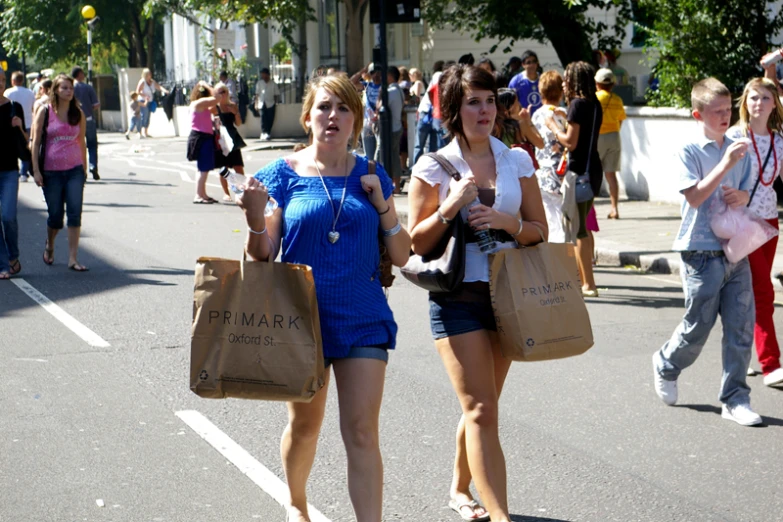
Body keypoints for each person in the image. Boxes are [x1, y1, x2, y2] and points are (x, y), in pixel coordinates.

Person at [237, 73, 411, 522]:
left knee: (361, 431)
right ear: (308, 115)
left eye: (344, 108)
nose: (333, 117)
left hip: (363, 317)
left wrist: (385, 206)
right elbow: (262, 254)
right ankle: (296, 502)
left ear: (356, 118)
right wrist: (257, 220)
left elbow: (402, 253)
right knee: (305, 425)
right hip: (301, 322)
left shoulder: (372, 175)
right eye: (324, 107)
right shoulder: (283, 174)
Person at [407, 64, 547, 522]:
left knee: (481, 406)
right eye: (473, 102)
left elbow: (540, 231)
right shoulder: (434, 165)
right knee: (482, 408)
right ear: (453, 109)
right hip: (457, 295)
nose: (484, 110)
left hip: (508, 296)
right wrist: (452, 205)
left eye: (489, 100)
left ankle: (458, 488)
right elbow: (416, 242)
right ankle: (500, 515)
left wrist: (509, 223)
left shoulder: (517, 160)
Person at [652, 78, 762, 426]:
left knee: (741, 327)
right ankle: (667, 363)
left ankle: (735, 399)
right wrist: (725, 164)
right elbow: (695, 197)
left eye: (728, 110)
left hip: (734, 248)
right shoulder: (688, 149)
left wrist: (743, 196)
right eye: (716, 112)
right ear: (697, 114)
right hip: (699, 249)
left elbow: (748, 192)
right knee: (698, 324)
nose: (724, 117)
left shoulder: (737, 146)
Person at [727, 78, 783, 387]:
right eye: (752, 98)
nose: (758, 103)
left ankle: (742, 352)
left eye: (765, 98)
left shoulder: (779, 141)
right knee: (763, 290)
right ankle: (771, 364)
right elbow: (719, 174)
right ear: (745, 103)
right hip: (742, 223)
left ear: (775, 103)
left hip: (770, 222)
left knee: (747, 292)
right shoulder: (736, 136)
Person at [544, 61, 603, 297]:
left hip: (579, 173)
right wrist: (565, 116)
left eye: (567, 78)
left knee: (578, 230)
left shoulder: (578, 104)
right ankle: (586, 280)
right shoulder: (593, 102)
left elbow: (570, 142)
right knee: (584, 227)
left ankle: (587, 284)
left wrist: (553, 126)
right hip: (593, 170)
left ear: (575, 81)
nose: (564, 83)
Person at [31, 74, 89, 272]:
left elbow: (82, 141)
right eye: (64, 88)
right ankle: (50, 243)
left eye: (70, 88)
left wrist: (84, 168)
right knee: (56, 216)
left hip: (74, 171)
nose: (68, 91)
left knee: (74, 214)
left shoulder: (78, 114)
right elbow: (36, 142)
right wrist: (36, 171)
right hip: (51, 172)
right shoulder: (45, 112)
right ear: (55, 90)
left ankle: (73, 258)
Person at [531, 70, 569, 242]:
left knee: (549, 215)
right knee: (564, 215)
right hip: (561, 169)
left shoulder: (537, 114)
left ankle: (554, 252)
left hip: (542, 169)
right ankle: (566, 252)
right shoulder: (563, 113)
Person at [0, 68, 26, 279]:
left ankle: (13, 256)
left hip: (9, 170)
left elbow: (26, 140)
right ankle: (3, 264)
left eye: (1, 81)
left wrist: (20, 127)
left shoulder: (14, 107)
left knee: (8, 216)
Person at [595, 68, 626, 219]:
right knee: (611, 174)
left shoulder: (595, 98)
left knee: (592, 173)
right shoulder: (618, 100)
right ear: (613, 84)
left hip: (598, 136)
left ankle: (589, 210)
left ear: (597, 83)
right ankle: (614, 208)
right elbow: (620, 121)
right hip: (614, 136)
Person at [186, 81, 223, 204]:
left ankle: (202, 194)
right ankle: (198, 195)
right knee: (203, 168)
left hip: (203, 137)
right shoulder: (199, 103)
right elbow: (217, 97)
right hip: (202, 137)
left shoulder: (198, 105)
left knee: (203, 168)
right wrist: (206, 85)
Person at [211, 81, 247, 202]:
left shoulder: (232, 105)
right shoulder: (214, 108)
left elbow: (238, 123)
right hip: (221, 139)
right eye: (220, 92)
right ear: (215, 94)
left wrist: (235, 113)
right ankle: (226, 193)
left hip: (233, 137)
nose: (223, 94)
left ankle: (241, 191)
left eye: (225, 91)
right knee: (224, 168)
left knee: (238, 167)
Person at [375, 65, 405, 192]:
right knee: (395, 159)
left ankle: (383, 186)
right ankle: (396, 187)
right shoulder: (399, 90)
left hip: (389, 130)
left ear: (390, 76)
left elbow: (379, 108)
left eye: (384, 75)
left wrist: (380, 94)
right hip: (397, 127)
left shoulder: (390, 92)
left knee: (382, 157)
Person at [4, 71, 35, 183]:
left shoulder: (8, 92)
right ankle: (24, 172)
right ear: (22, 81)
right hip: (27, 123)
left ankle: (19, 170)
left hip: (12, 123)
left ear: (12, 81)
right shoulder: (30, 92)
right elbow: (33, 108)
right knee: (25, 147)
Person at [412, 61, 444, 165]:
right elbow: (432, 92)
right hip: (427, 113)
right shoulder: (439, 75)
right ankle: (415, 169)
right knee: (421, 145)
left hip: (431, 114)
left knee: (429, 146)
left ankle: (431, 168)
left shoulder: (438, 76)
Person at [71, 67, 100, 181]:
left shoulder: (69, 88)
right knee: (92, 145)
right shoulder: (88, 88)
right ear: (79, 74)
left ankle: (80, 169)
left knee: (78, 145)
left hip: (74, 121)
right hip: (88, 119)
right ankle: (93, 165)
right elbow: (96, 105)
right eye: (82, 73)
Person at [351, 62, 383, 159]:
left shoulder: (385, 86)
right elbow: (351, 82)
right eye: (373, 72)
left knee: (380, 151)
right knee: (369, 154)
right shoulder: (367, 85)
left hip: (380, 123)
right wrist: (364, 70)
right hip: (368, 125)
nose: (376, 75)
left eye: (378, 72)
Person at [136, 68, 169, 138]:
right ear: (145, 75)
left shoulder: (152, 82)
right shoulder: (142, 82)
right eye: (148, 74)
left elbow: (158, 87)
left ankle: (146, 132)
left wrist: (165, 91)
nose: (150, 75)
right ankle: (139, 132)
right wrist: (145, 96)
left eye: (150, 73)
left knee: (148, 116)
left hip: (150, 101)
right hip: (143, 101)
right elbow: (137, 91)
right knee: (143, 116)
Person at [508, 50, 543, 115]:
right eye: (528, 62)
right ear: (523, 65)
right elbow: (511, 104)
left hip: (542, 119)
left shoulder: (543, 79)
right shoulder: (516, 81)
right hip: (524, 120)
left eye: (534, 61)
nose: (532, 65)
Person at [254, 67, 280, 141]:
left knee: (270, 119)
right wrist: (256, 104)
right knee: (263, 118)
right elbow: (257, 94)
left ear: (268, 75)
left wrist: (276, 103)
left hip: (270, 103)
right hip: (262, 103)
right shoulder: (259, 83)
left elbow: (276, 94)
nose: (263, 76)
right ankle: (263, 132)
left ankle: (268, 133)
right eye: (262, 75)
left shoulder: (273, 84)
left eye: (264, 75)